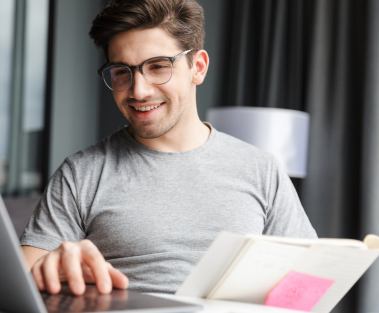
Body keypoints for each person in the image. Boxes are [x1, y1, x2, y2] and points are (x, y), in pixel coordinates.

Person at [20, 0, 317, 297]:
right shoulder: (81, 173)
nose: (138, 91)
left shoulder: (262, 170)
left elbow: (310, 287)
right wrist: (48, 270)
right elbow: (18, 285)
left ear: (197, 68)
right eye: (122, 72)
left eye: (158, 66)